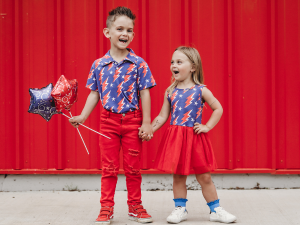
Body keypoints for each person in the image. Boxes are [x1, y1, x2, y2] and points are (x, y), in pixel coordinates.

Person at [69, 6, 156, 225]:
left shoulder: (139, 64)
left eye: (129, 30)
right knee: (108, 169)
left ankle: (135, 207)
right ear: (108, 32)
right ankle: (106, 208)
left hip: (133, 121)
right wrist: (82, 116)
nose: (124, 34)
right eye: (119, 29)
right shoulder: (99, 65)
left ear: (133, 35)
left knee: (133, 169)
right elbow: (94, 93)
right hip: (107, 122)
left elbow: (145, 93)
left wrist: (146, 122)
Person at [143, 46, 236, 224]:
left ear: (193, 67)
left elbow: (218, 108)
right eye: (172, 62)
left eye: (179, 62)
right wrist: (150, 129)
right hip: (176, 138)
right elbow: (163, 116)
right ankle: (180, 209)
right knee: (178, 175)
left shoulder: (201, 90)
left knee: (204, 176)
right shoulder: (170, 91)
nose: (173, 65)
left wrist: (207, 126)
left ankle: (215, 209)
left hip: (195, 138)